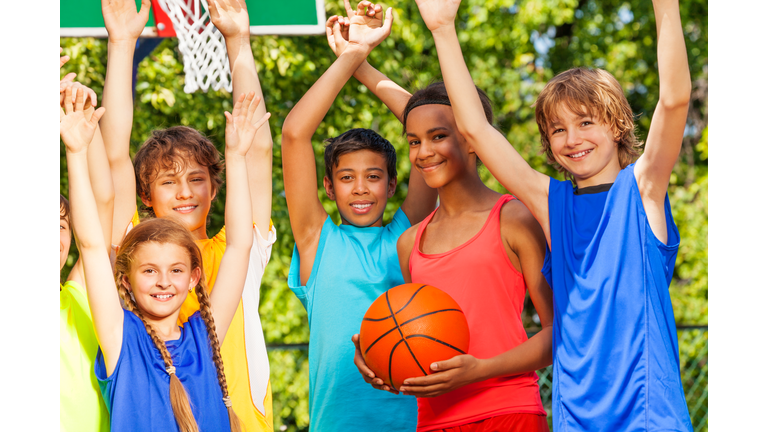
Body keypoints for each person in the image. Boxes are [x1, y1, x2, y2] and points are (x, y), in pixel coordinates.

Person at [417, 0, 694, 430]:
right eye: (558, 129)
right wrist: (442, 28)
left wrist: (666, 7)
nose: (572, 138)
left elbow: (674, 101)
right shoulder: (551, 203)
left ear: (617, 125)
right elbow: (476, 130)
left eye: (586, 123)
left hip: (646, 415)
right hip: (575, 418)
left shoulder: (643, 191)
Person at [98, 1, 278, 429]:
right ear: (146, 194)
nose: (184, 192)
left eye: (197, 179)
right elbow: (112, 155)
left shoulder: (240, 250)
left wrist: (237, 40)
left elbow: (257, 150)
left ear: (216, 187)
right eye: (167, 181)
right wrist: (122, 44)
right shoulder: (134, 250)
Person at [61, 85, 271, 431]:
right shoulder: (121, 339)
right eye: (149, 270)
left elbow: (238, 245)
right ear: (126, 279)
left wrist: (235, 155)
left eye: (175, 269)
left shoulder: (205, 337)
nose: (163, 281)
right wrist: (75, 151)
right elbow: (92, 245)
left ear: (192, 278)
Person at [280, 2, 437, 430]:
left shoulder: (407, 234)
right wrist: (349, 57)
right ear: (328, 188)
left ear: (392, 185)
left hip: (412, 421)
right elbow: (295, 134)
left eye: (373, 176)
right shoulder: (318, 240)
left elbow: (428, 125)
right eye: (347, 177)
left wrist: (365, 62)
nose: (362, 188)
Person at [59, 49, 112, 432]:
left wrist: (82, 137)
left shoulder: (79, 293)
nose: (54, 236)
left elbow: (103, 200)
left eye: (61, 225)